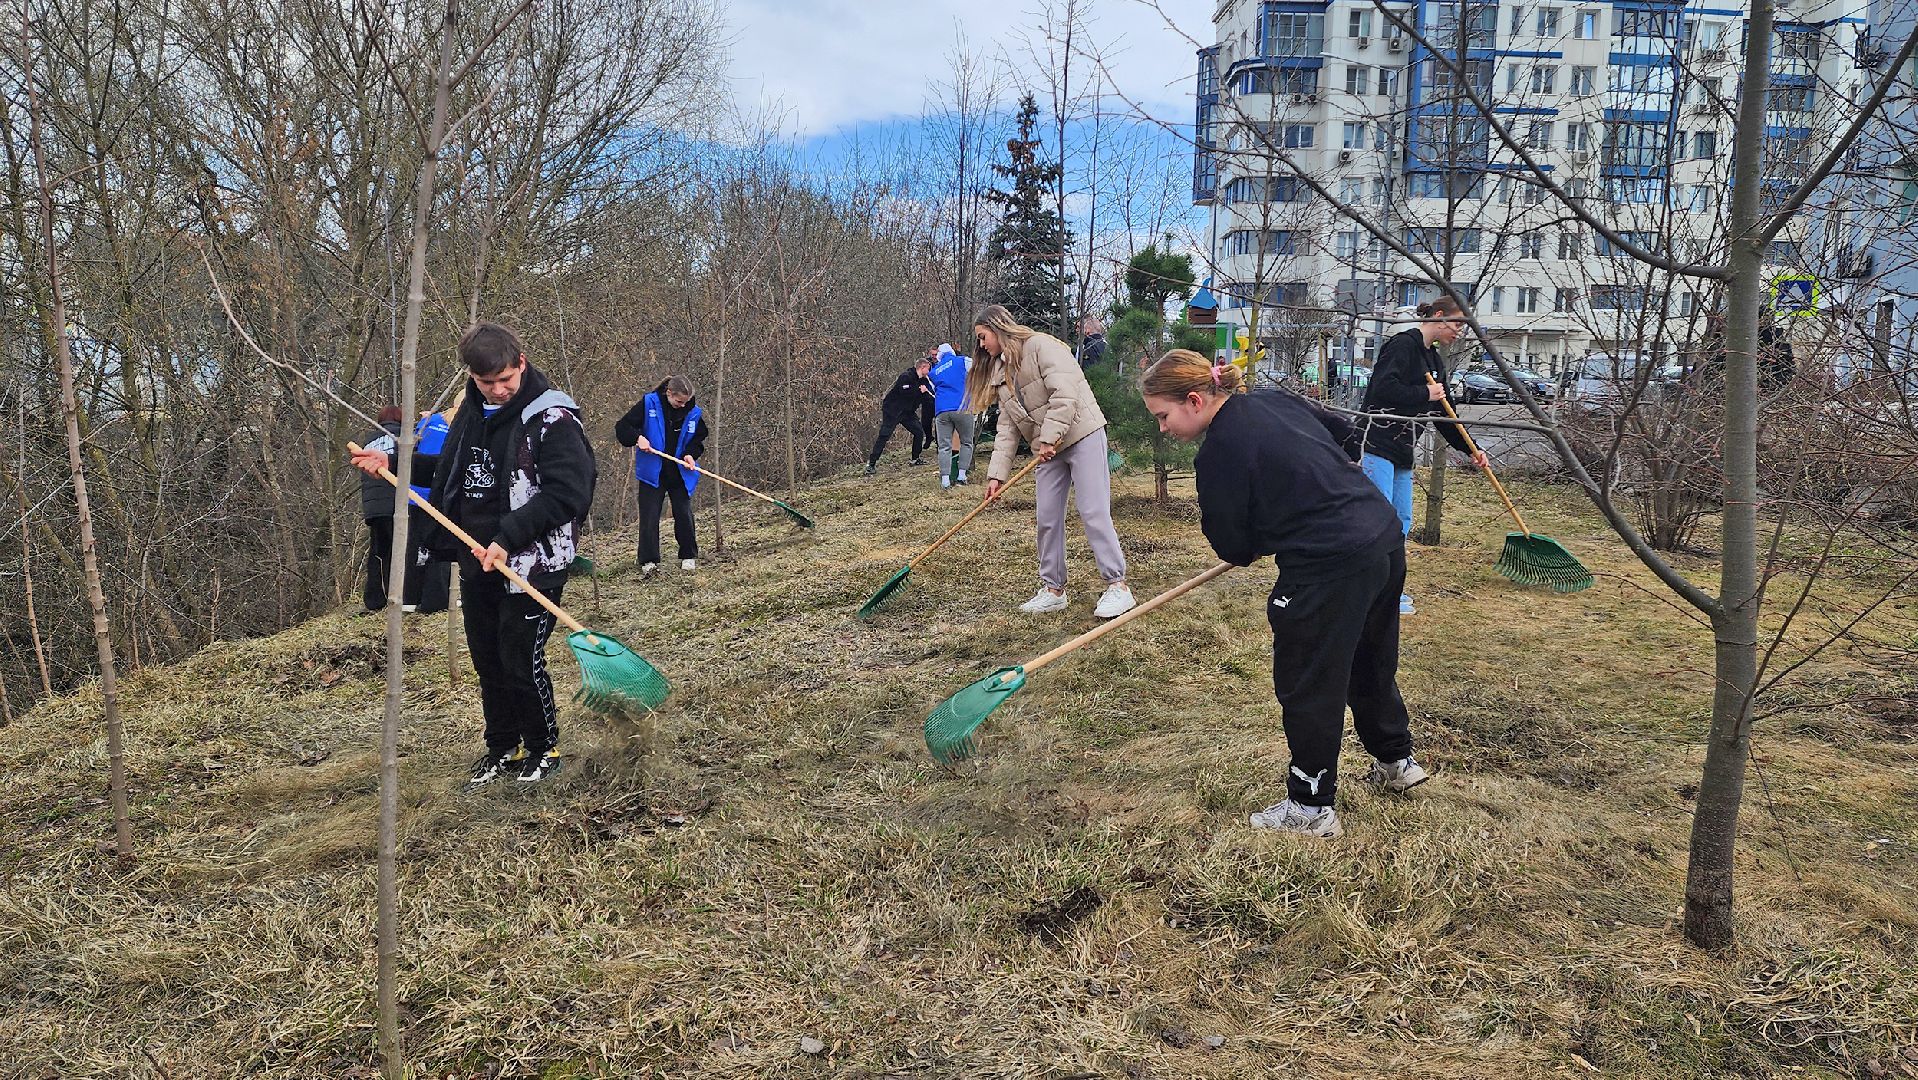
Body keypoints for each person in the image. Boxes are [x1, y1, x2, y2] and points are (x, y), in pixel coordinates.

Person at [1140, 348, 1429, 839]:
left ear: (1194, 400)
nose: (1163, 429)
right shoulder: (1276, 401)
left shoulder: (1220, 453)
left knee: (1309, 678)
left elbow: (1234, 546)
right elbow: (1347, 435)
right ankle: (1396, 761)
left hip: (1329, 564)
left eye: (1163, 417)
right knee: (1370, 657)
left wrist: (1274, 527)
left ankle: (1310, 805)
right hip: (1381, 540)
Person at [350, 322, 596, 787]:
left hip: (532, 561)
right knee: (487, 658)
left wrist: (508, 536)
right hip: (474, 554)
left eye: (506, 380)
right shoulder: (471, 412)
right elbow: (451, 470)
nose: (499, 391)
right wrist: (395, 464)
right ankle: (503, 747)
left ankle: (544, 749)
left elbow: (569, 494)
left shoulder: (553, 419)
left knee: (520, 657)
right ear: (473, 377)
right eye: (488, 383)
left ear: (521, 362)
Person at [970, 303, 1135, 619]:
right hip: (1046, 448)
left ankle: (1118, 586)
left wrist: (1049, 437)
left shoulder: (1041, 346)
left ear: (998, 327)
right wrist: (996, 476)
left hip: (1081, 433)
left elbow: (1065, 394)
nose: (981, 345)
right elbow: (1007, 427)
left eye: (982, 336)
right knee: (1046, 517)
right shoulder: (998, 372)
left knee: (1092, 510)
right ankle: (1053, 590)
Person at [1358, 297, 1487, 615]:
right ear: (1440, 317)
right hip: (1374, 442)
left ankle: (1390, 594)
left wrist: (1472, 449)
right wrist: (1423, 393)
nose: (1460, 331)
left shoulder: (1434, 361)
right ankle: (1364, 592)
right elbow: (1380, 389)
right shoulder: (1403, 345)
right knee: (1378, 522)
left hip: (1402, 450)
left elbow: (1445, 415)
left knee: (1401, 522)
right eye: (1458, 324)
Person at [357, 406, 451, 614]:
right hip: (398, 501)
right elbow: (414, 462)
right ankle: (401, 594)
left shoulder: (369, 439)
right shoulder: (404, 437)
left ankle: (376, 598)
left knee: (379, 552)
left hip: (373, 506)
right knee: (402, 551)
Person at [615, 376, 708, 576]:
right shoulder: (649, 403)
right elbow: (623, 428)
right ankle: (648, 560)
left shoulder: (693, 411)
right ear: (669, 393)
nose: (681, 405)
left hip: (680, 472)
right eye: (678, 401)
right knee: (649, 516)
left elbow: (698, 439)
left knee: (683, 513)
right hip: (653, 472)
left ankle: (688, 555)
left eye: (685, 402)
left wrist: (690, 455)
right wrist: (638, 438)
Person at [867, 356, 934, 473]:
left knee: (918, 432)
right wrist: (919, 391)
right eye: (928, 369)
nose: (929, 372)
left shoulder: (923, 380)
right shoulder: (906, 377)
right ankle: (871, 464)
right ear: (922, 367)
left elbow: (925, 397)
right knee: (884, 435)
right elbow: (905, 393)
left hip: (907, 412)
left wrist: (936, 401)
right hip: (893, 411)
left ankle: (915, 458)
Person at [928, 341, 974, 488]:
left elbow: (934, 390)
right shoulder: (963, 361)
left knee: (944, 446)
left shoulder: (934, 372)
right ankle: (961, 476)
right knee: (966, 442)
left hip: (941, 411)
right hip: (962, 407)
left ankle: (945, 480)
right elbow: (977, 372)